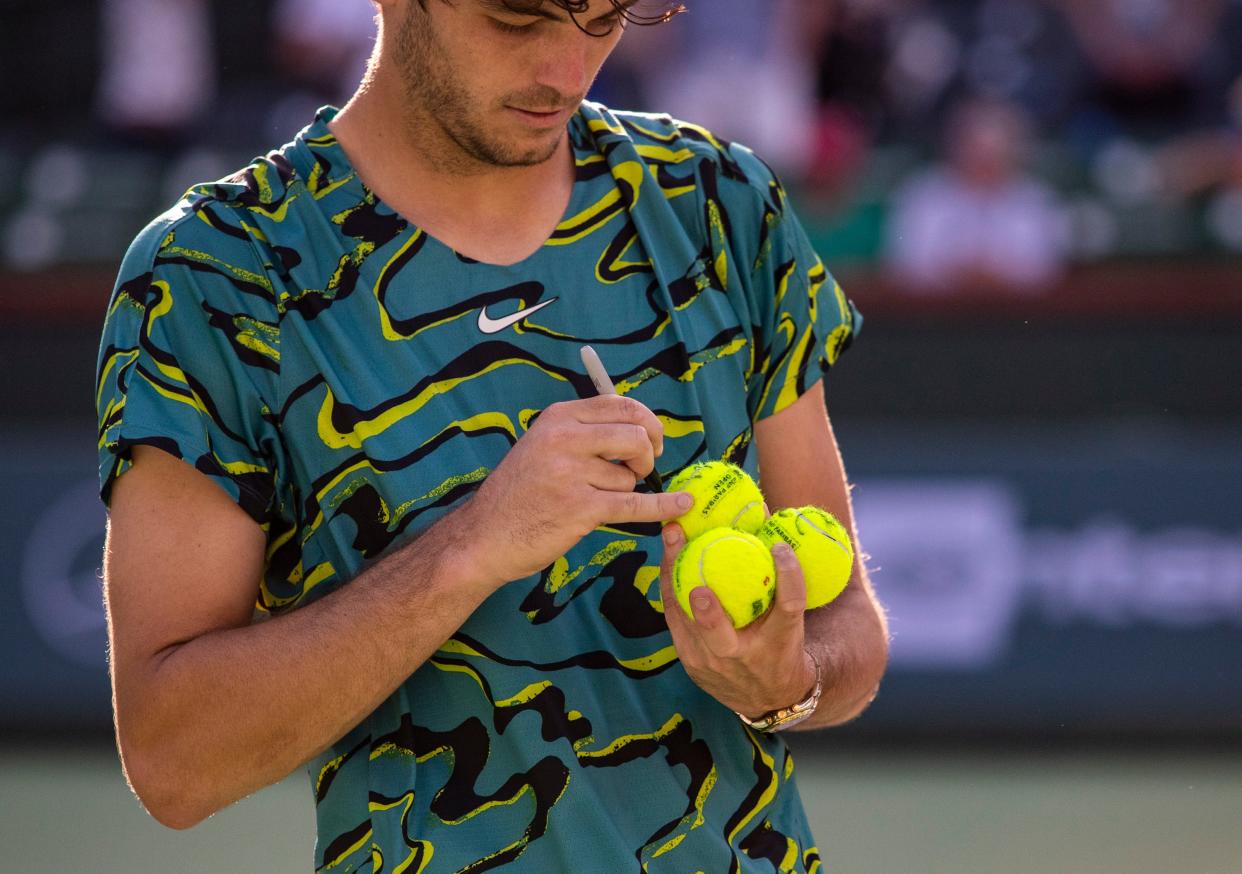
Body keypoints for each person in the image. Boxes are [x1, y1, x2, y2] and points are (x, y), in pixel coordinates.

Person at [94, 1, 889, 870]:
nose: (567, 67)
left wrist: (789, 684)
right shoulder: (217, 274)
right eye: (518, 20)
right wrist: (475, 543)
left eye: (603, 18)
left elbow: (846, 616)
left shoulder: (720, 203)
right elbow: (172, 761)